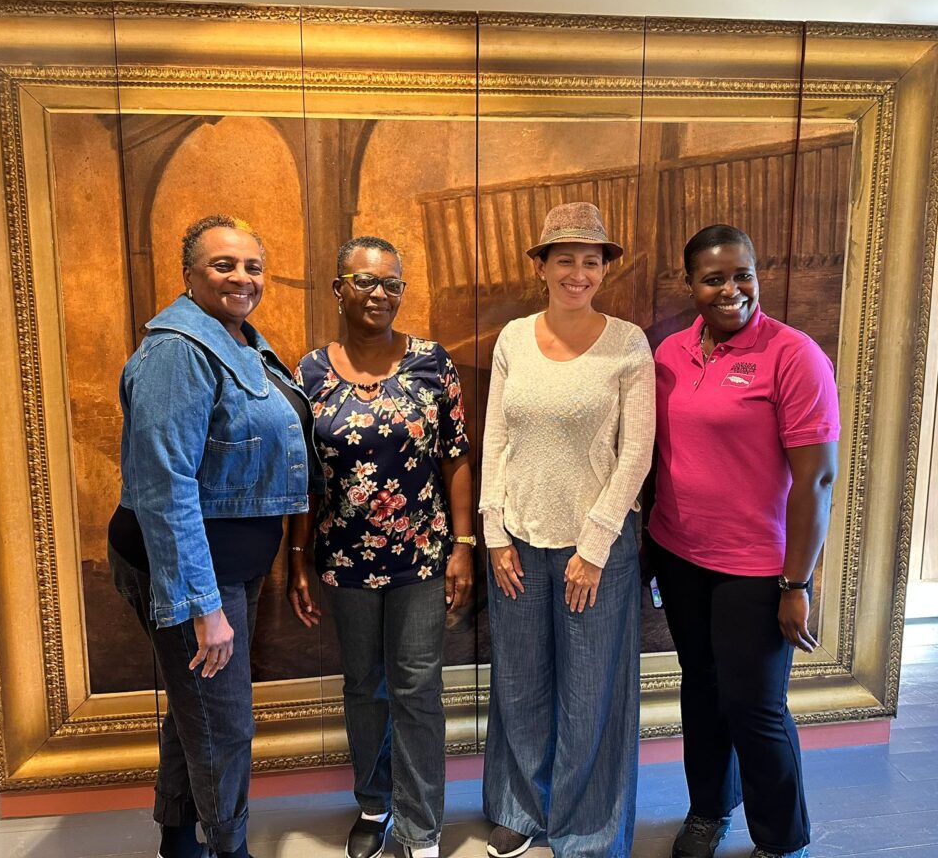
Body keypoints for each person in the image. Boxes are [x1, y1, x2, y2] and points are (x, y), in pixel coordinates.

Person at [108, 215, 322, 858]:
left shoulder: (236, 339)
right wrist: (202, 605)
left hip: (229, 562)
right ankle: (230, 849)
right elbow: (165, 484)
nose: (242, 277)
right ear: (189, 274)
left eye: (252, 266)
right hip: (191, 568)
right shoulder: (180, 349)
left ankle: (179, 841)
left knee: (193, 708)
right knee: (224, 725)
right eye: (223, 265)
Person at [645, 224, 840, 858]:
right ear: (690, 285)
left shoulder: (794, 355)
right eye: (714, 278)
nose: (732, 289)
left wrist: (797, 584)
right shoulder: (670, 354)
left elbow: (818, 480)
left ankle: (782, 841)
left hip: (757, 570)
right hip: (679, 556)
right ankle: (707, 810)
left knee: (755, 708)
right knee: (700, 688)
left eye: (743, 275)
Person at [478, 202, 655, 858]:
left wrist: (596, 544)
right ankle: (519, 808)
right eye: (565, 260)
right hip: (519, 540)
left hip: (596, 551)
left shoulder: (628, 344)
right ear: (542, 267)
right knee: (519, 681)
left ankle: (588, 827)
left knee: (592, 691)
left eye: (591, 260)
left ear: (604, 269)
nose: (578, 273)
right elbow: (496, 435)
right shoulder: (514, 339)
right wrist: (494, 534)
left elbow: (637, 452)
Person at [289, 235, 474, 858]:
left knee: (417, 687)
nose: (380, 294)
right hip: (344, 559)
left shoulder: (431, 362)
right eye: (366, 282)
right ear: (339, 288)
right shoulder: (309, 372)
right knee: (362, 685)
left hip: (422, 555)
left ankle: (422, 826)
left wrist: (463, 544)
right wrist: (298, 558)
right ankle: (374, 804)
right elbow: (305, 477)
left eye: (392, 283)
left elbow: (455, 457)